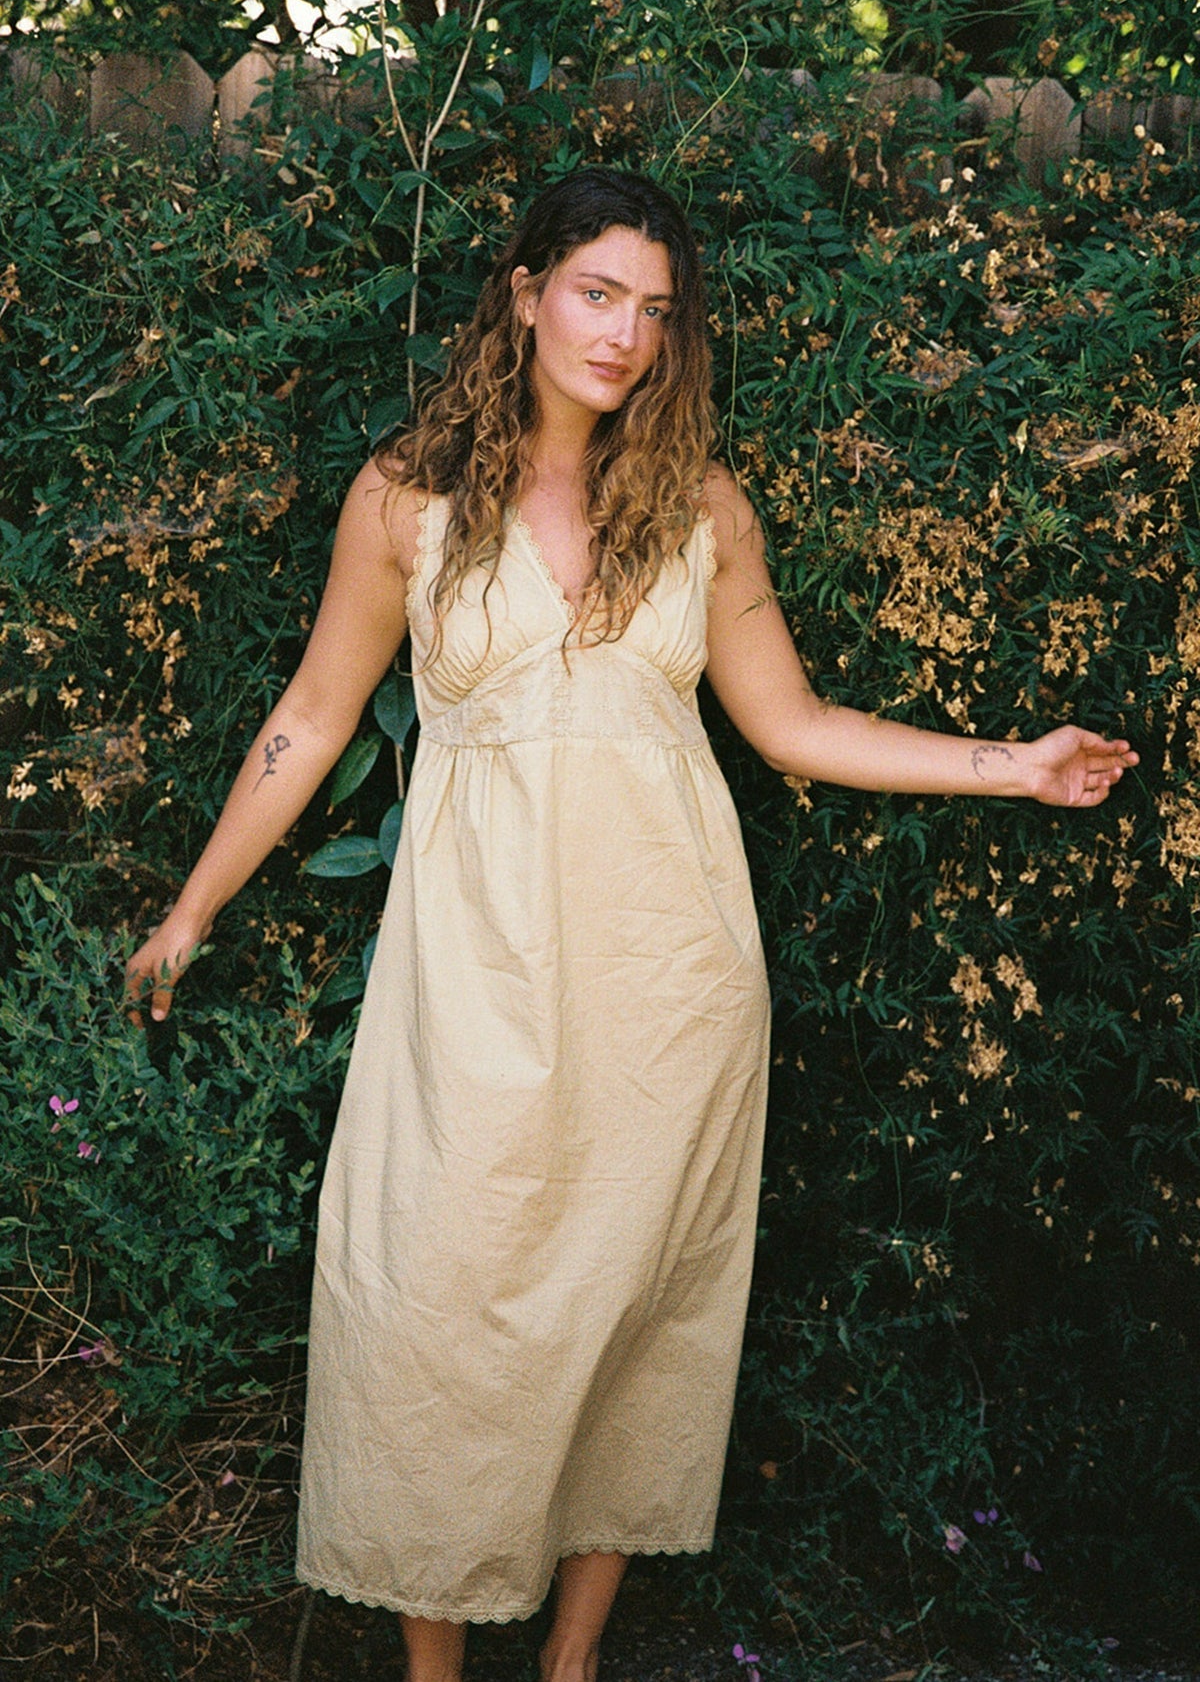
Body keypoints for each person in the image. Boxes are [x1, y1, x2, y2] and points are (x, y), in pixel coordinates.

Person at [126, 168, 1137, 1682]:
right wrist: (191, 909)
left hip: (672, 978)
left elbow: (792, 725)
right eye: (598, 292)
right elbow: (316, 715)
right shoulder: (405, 500)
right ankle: (433, 1666)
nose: (624, 333)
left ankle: (575, 1661)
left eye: (654, 311)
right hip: (478, 970)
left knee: (642, 1305)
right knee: (448, 1294)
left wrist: (1019, 764)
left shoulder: (700, 509)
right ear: (526, 293)